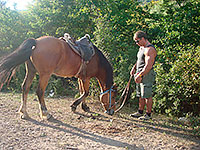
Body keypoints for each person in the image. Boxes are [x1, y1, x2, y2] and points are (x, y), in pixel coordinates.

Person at [130, 30, 157, 120]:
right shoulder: (141, 48)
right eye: (135, 41)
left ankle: (148, 114)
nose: (136, 43)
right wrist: (134, 68)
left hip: (147, 74)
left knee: (147, 95)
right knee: (140, 95)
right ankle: (140, 111)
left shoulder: (150, 49)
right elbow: (139, 60)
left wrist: (140, 75)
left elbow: (148, 66)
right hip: (139, 73)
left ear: (143, 38)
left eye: (137, 41)